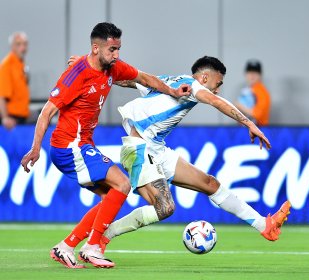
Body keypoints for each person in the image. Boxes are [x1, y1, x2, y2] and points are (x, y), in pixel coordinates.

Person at [20, 22, 191, 269]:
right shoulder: (76, 74)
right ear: (96, 48)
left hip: (82, 145)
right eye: (112, 49)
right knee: (122, 183)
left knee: (110, 197)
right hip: (69, 146)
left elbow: (144, 78)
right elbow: (46, 112)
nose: (116, 54)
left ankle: (66, 246)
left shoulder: (112, 68)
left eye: (118, 49)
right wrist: (36, 148)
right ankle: (92, 247)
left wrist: (173, 92)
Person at [95, 56, 291, 251]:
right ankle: (103, 236)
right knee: (165, 208)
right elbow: (215, 101)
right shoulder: (192, 86)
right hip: (139, 147)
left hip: (156, 149)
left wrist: (94, 69)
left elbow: (128, 80)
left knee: (210, 183)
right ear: (204, 78)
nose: (218, 89)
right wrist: (249, 123)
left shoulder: (170, 81)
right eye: (218, 83)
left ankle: (264, 225)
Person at [0, 32, 30, 129]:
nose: (23, 48)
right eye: (18, 44)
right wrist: (5, 118)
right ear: (12, 46)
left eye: (25, 44)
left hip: (22, 117)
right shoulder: (7, 65)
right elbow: (2, 95)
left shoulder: (21, 64)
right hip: (12, 119)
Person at [234, 59, 271, 126]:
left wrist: (239, 106)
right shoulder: (246, 90)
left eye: (255, 72)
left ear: (260, 75)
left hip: (260, 130)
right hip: (246, 129)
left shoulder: (262, 92)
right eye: (250, 72)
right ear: (245, 74)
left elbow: (257, 115)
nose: (252, 75)